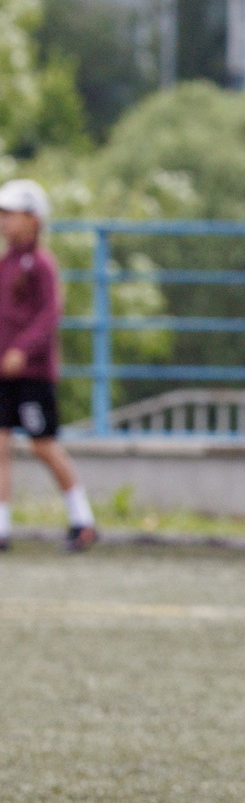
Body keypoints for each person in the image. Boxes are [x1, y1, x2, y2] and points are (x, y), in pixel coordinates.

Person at [0, 179, 95, 553]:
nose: (5, 222)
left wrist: (22, 349)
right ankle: (2, 525)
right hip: (3, 375)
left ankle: (82, 519)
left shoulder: (41, 264)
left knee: (43, 445)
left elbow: (49, 312)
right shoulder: (6, 264)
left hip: (33, 375)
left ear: (34, 218)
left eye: (11, 214)